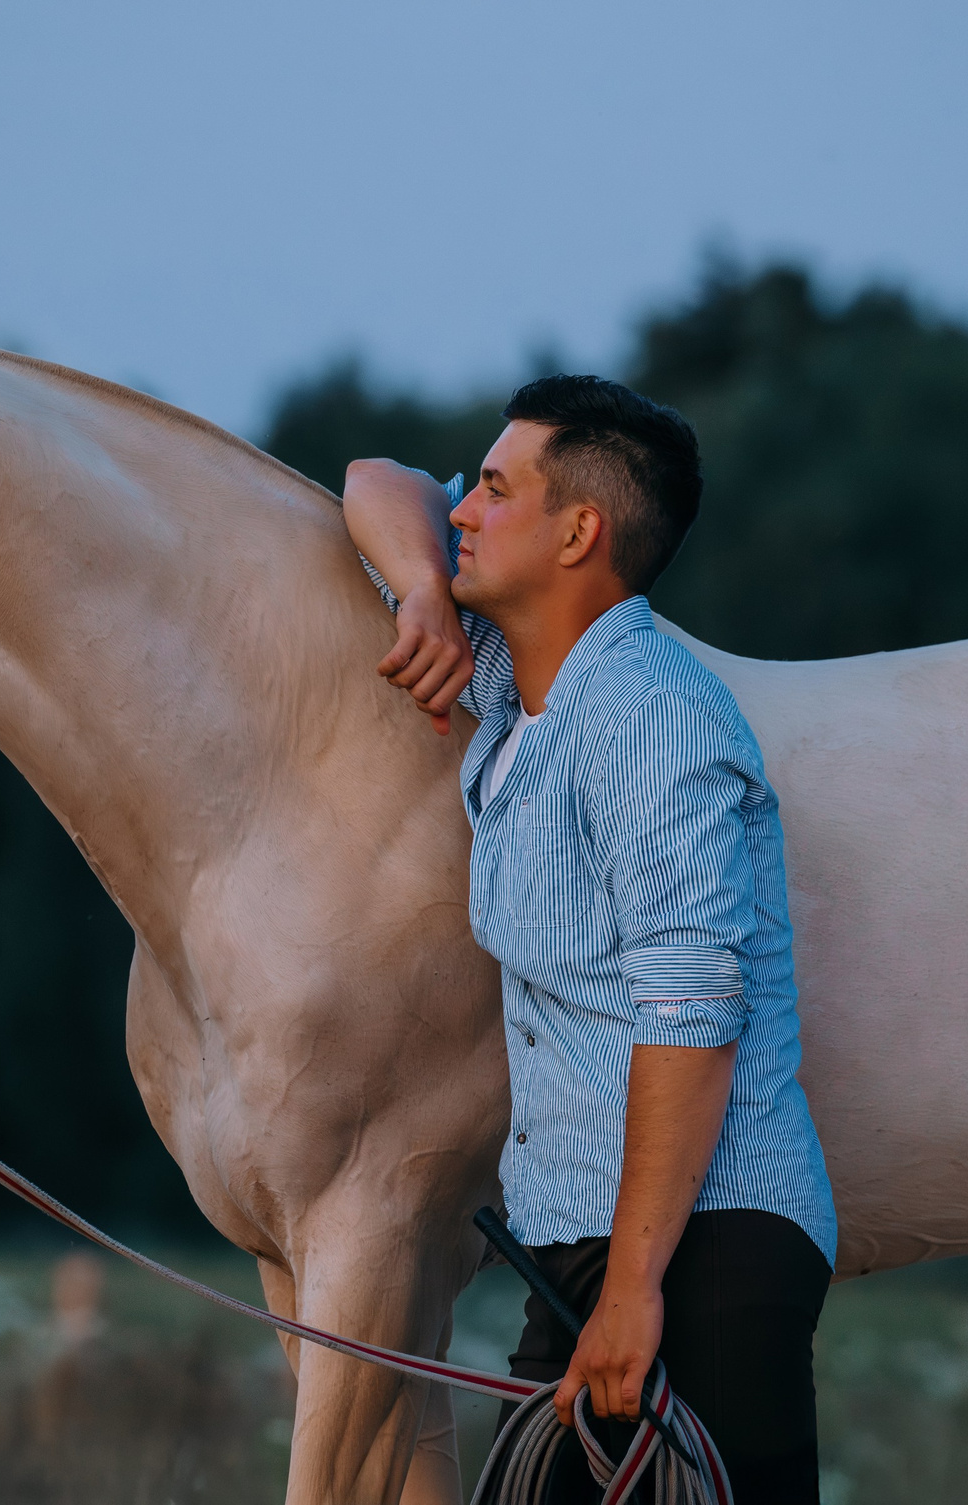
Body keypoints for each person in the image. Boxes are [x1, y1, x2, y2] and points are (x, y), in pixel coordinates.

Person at [343, 376, 837, 1503]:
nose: (463, 507)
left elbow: (691, 1009)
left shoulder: (652, 716)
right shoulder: (526, 682)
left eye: (496, 490)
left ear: (579, 532)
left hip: (698, 1247)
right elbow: (379, 483)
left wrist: (631, 1291)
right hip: (586, 1239)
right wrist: (422, 589)